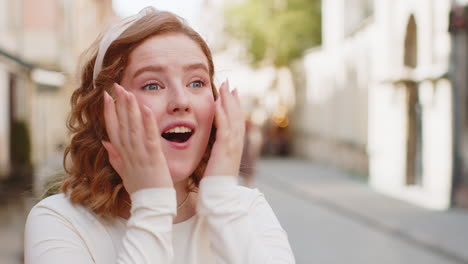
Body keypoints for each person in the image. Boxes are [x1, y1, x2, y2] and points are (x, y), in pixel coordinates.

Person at [24, 7, 295, 264]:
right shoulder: (60, 221)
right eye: (152, 85)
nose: (181, 100)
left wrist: (221, 202)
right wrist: (152, 206)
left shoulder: (247, 210)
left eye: (197, 82)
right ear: (105, 110)